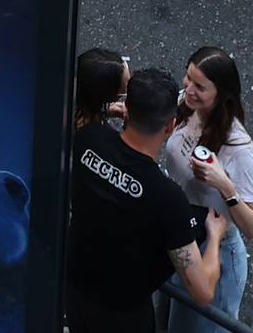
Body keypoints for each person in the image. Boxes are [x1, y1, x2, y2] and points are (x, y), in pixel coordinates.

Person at [65, 65, 224, 333]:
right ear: (171, 125)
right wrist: (216, 235)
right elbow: (203, 290)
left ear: (125, 106)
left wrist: (104, 110)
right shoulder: (167, 199)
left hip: (74, 293)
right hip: (123, 318)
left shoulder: (88, 139)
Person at [166, 46, 253, 329]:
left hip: (213, 250)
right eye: (188, 78)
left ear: (222, 95)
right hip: (180, 234)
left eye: (200, 86)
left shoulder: (241, 151)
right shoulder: (187, 105)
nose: (189, 89)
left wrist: (225, 186)